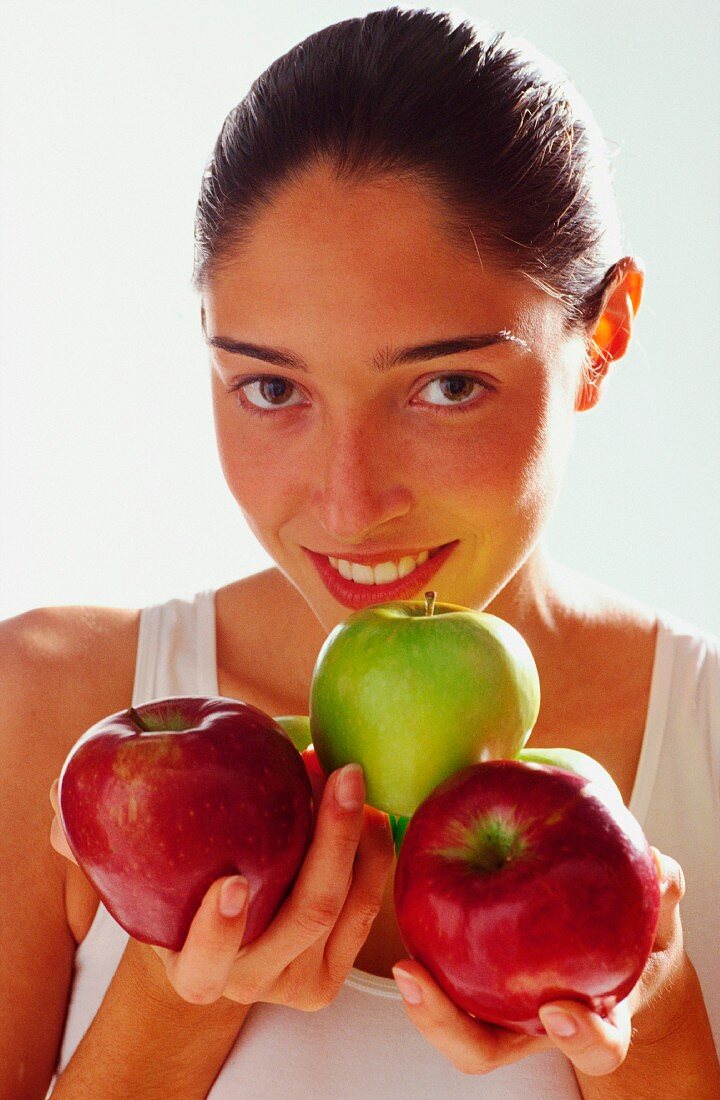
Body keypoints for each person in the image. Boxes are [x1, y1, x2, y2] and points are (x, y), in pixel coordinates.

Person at [1, 7, 718, 1098]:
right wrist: (172, 999)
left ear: (605, 333)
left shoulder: (705, 744)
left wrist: (655, 1014)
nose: (349, 502)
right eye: (272, 388)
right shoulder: (46, 711)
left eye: (447, 386)